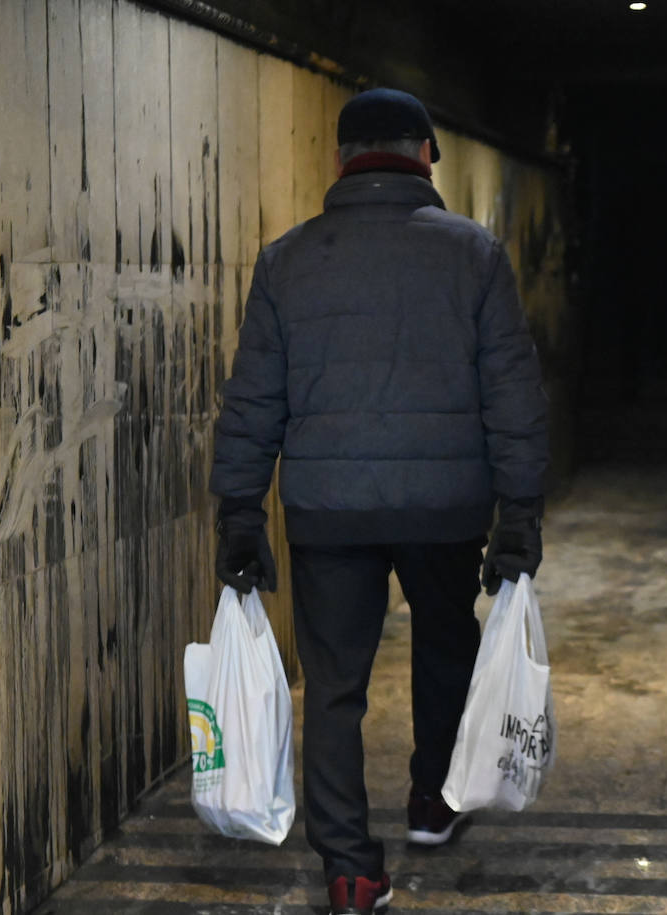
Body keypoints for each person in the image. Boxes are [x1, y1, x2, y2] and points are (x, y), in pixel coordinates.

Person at [208, 88, 548, 915]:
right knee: (443, 648)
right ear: (427, 153)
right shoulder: (477, 255)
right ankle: (433, 800)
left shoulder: (286, 261)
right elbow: (513, 395)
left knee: (331, 686)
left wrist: (241, 511)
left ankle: (351, 867)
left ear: (339, 160)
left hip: (330, 511)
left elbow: (253, 401)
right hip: (445, 508)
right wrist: (520, 513)